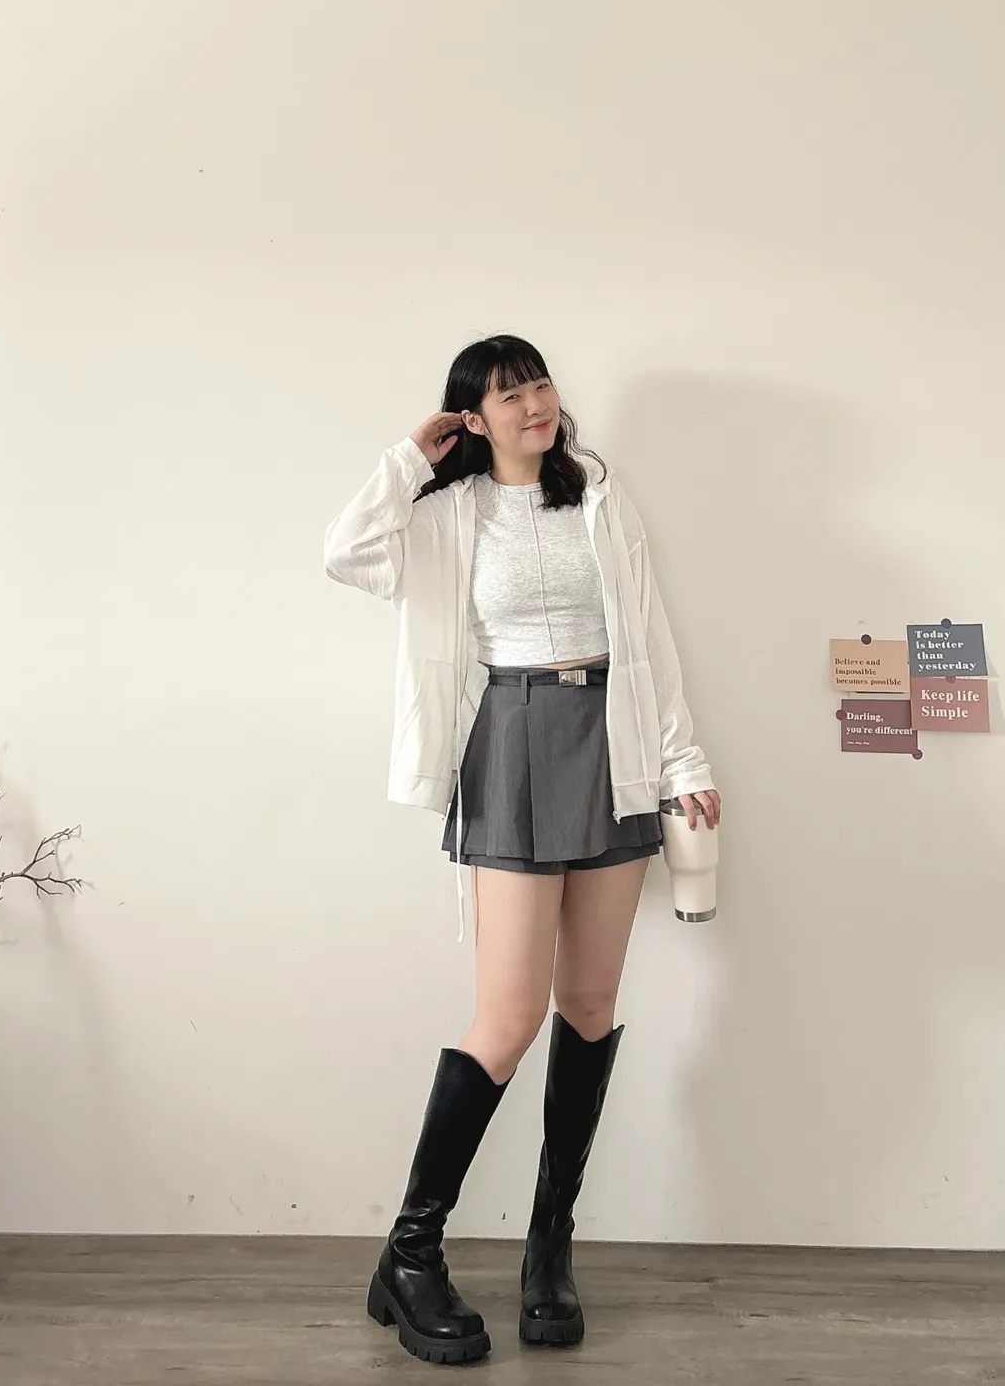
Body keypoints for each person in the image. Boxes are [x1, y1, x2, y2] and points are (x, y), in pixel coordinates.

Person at [323, 334, 720, 1366]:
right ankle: (412, 1253)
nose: (535, 404)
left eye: (539, 384)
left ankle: (551, 1248)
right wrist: (408, 459)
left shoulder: (599, 497)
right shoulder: (446, 513)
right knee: (508, 1019)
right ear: (473, 417)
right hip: (509, 745)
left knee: (587, 1005)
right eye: (508, 395)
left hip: (613, 745)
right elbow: (346, 553)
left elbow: (649, 639)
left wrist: (681, 763)